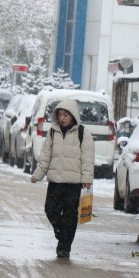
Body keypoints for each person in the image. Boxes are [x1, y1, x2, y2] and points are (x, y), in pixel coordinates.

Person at [30, 99, 94, 258]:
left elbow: (87, 158)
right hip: (55, 182)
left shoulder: (83, 133)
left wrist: (87, 178)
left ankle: (64, 247)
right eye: (60, 115)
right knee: (50, 209)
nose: (62, 118)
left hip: (73, 183)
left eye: (66, 115)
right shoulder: (53, 132)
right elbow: (45, 156)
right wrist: (38, 174)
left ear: (73, 115)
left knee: (70, 215)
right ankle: (62, 235)